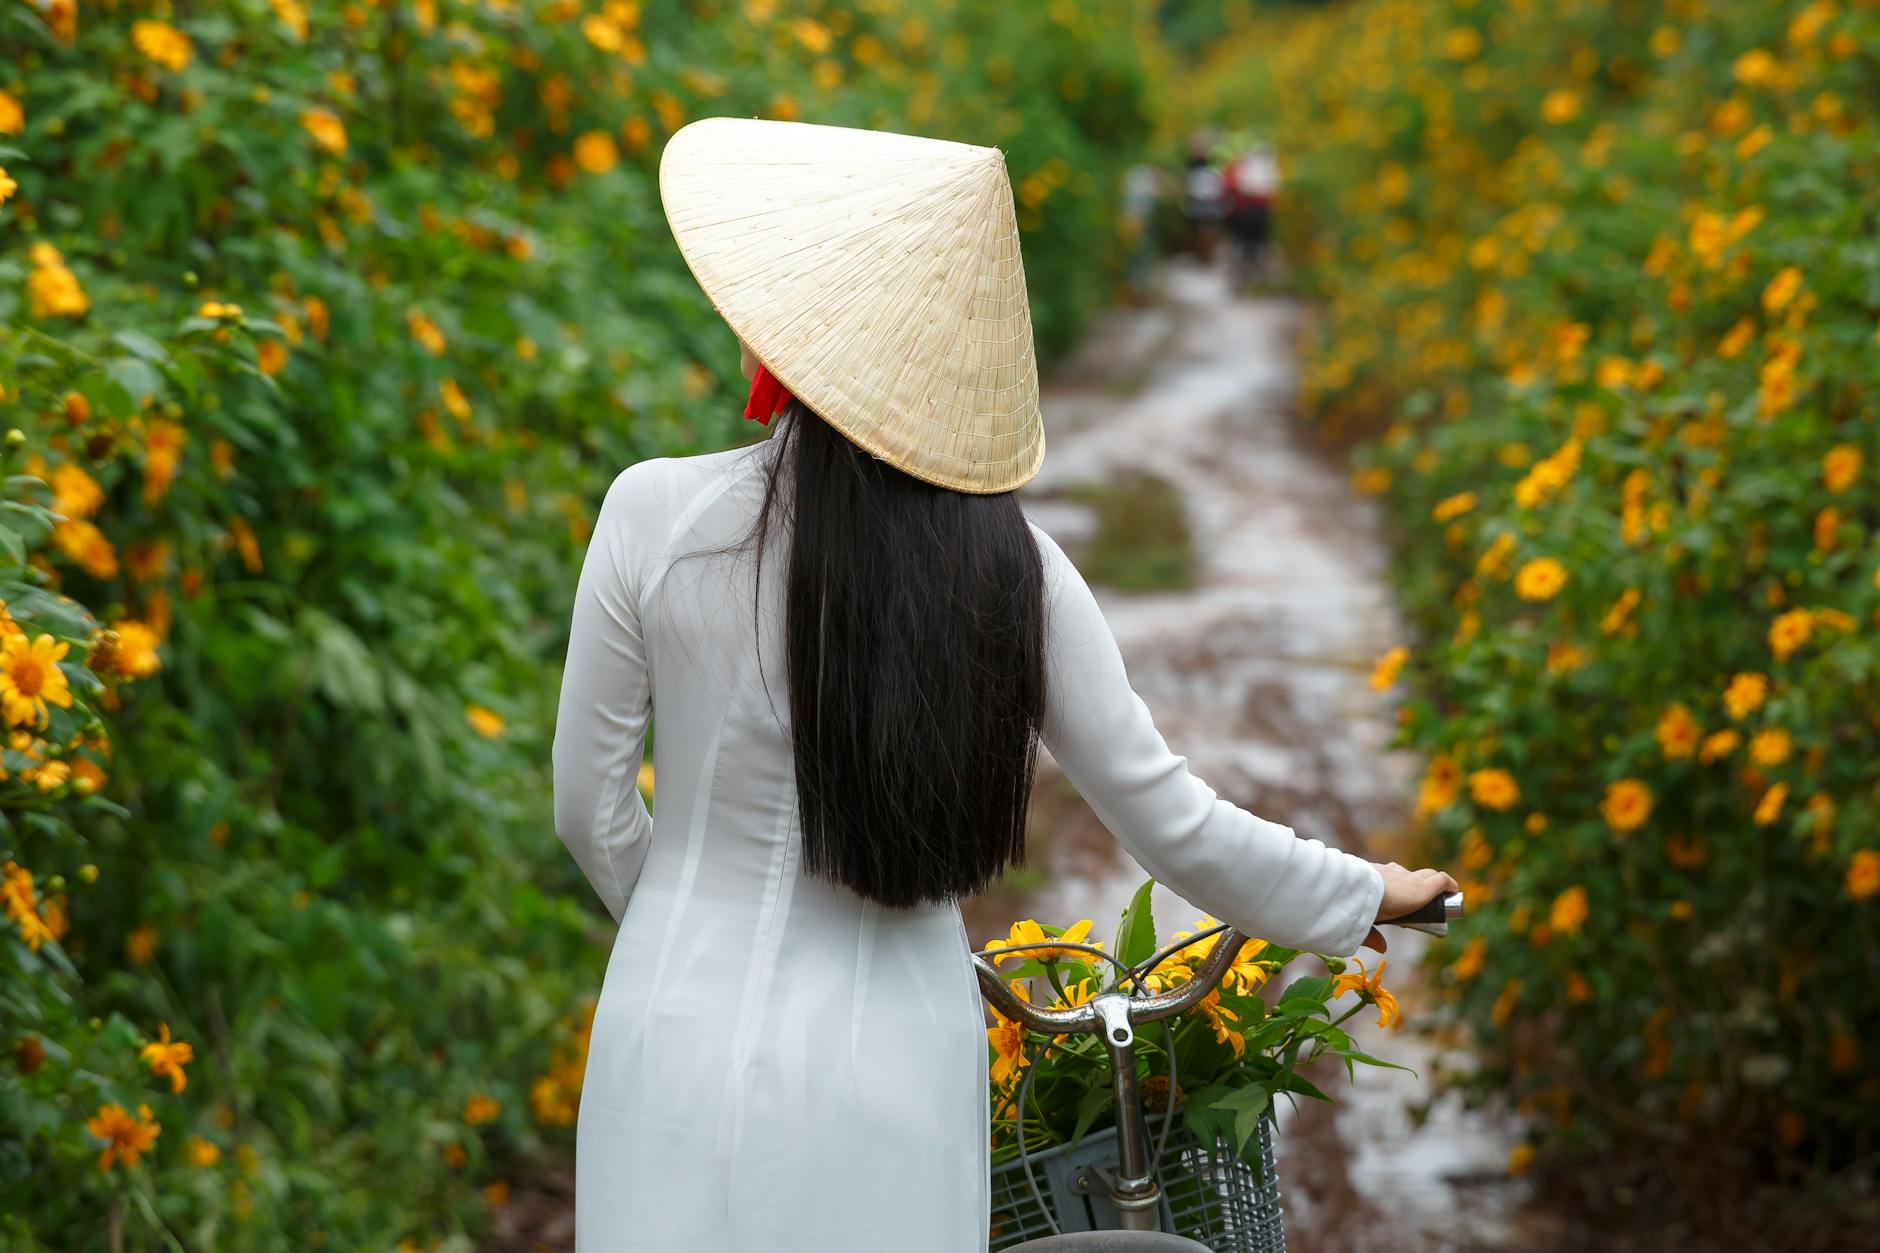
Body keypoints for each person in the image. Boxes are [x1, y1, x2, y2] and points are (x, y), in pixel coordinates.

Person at [552, 116, 1457, 1252]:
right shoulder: (1014, 571)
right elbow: (1174, 822)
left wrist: (697, 933)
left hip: (669, 1041)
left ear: (793, 339)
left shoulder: (652, 513)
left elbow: (588, 810)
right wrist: (1360, 889)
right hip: (895, 1062)